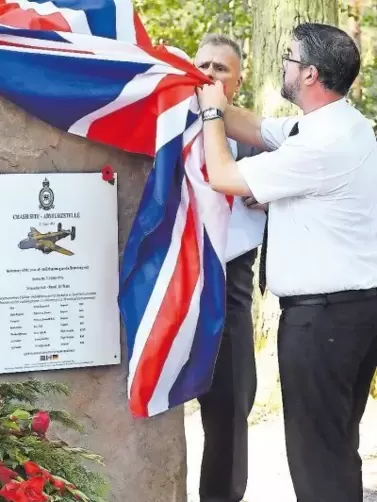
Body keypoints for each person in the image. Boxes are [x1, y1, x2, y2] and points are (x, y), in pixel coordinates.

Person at [197, 22, 377, 501]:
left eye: (290, 58)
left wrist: (211, 112)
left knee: (317, 460)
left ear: (311, 75)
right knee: (335, 449)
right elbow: (254, 128)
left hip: (325, 322)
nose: (284, 64)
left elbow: (223, 174)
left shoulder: (321, 144)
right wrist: (203, 94)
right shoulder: (335, 124)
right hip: (348, 315)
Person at [192, 33, 260, 502]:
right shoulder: (167, 130)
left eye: (221, 68)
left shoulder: (261, 143)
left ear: (238, 79)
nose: (210, 75)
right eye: (204, 66)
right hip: (177, 284)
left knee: (232, 412)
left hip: (232, 289)